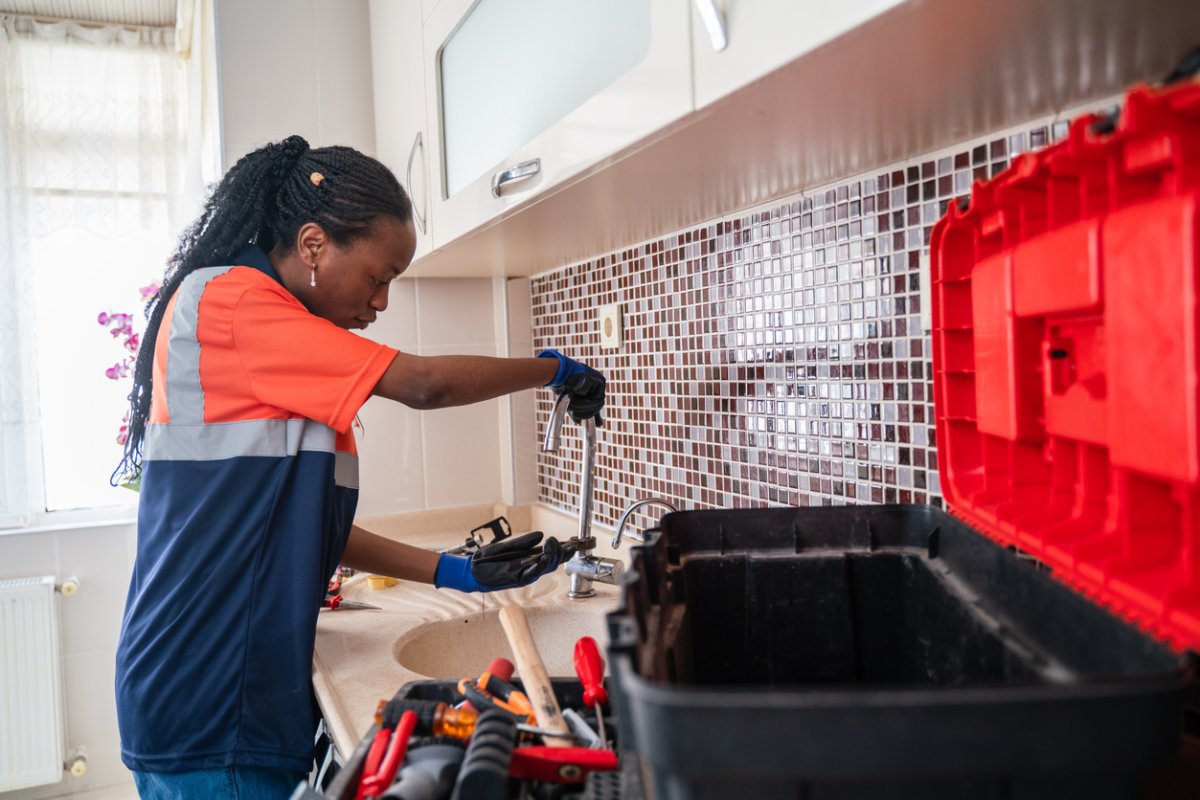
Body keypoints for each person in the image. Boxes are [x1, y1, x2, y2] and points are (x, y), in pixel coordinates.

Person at [113, 135, 605, 799]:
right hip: (208, 690)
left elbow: (302, 527)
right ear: (314, 245)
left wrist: (454, 571)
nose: (380, 303)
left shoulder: (269, 335)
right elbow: (424, 383)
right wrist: (555, 370)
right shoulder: (233, 305)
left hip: (224, 682)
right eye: (379, 277)